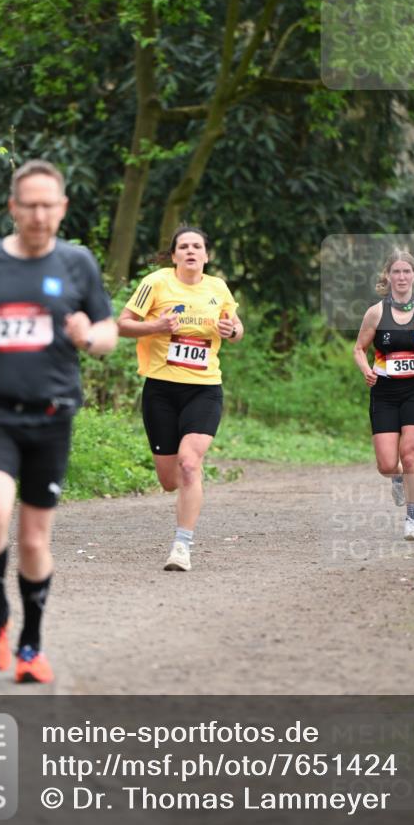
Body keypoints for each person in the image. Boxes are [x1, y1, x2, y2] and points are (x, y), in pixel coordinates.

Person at [0, 159, 117, 683]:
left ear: (62, 208)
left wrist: (88, 336)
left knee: (34, 542)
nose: (38, 214)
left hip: (53, 417)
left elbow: (106, 333)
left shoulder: (77, 263)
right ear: (13, 207)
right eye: (29, 204)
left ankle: (31, 646)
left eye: (48, 205)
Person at [118, 225, 243, 572]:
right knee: (169, 479)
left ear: (206, 255)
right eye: (183, 246)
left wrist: (231, 330)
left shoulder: (218, 288)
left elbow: (236, 329)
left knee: (190, 463)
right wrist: (155, 327)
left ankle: (181, 546)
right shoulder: (156, 283)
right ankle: (183, 500)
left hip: (204, 389)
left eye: (197, 246)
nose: (190, 251)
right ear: (174, 256)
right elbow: (122, 324)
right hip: (160, 389)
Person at [353, 250, 414, 541]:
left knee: (409, 456)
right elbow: (359, 349)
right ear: (388, 276)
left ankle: (413, 519)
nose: (402, 277)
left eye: (407, 271)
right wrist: (365, 370)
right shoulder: (376, 312)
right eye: (396, 271)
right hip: (384, 392)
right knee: (386, 464)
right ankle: (398, 477)